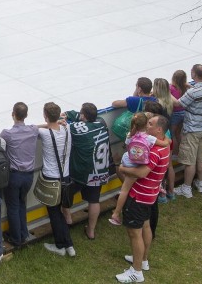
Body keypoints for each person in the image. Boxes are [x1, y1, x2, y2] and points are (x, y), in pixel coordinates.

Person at [116, 115, 171, 283]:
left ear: (159, 130)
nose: (147, 126)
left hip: (139, 196)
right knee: (145, 225)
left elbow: (141, 173)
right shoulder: (164, 144)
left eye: (151, 124)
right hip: (150, 194)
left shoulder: (154, 151)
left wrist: (123, 167)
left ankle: (136, 272)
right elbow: (166, 140)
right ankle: (143, 260)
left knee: (134, 233)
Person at [110, 113, 170, 226]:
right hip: (137, 163)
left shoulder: (129, 135)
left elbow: (127, 145)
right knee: (126, 189)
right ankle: (116, 214)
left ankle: (117, 212)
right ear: (146, 125)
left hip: (128, 160)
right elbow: (165, 143)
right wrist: (167, 139)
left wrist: (122, 167)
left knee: (124, 190)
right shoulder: (149, 138)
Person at [62, 102, 111, 240]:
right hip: (99, 170)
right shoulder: (101, 122)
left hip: (82, 171)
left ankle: (68, 218)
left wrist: (65, 116)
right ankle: (91, 230)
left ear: (83, 115)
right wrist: (73, 114)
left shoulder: (77, 128)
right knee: (94, 200)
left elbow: (65, 126)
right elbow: (78, 117)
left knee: (65, 193)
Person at [0, 103, 39, 248]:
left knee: (13, 206)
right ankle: (23, 233)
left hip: (14, 176)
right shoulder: (33, 130)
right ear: (26, 115)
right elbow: (39, 127)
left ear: (13, 114)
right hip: (28, 176)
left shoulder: (7, 134)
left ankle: (16, 238)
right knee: (22, 203)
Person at [38, 102, 75, 257]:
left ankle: (62, 245)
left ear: (45, 116)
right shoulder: (67, 128)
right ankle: (68, 245)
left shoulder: (44, 133)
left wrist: (47, 123)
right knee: (59, 211)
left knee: (54, 213)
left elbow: (31, 128)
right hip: (65, 176)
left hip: (50, 177)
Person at [174, 64, 202, 198]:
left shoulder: (192, 92)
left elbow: (178, 104)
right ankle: (200, 182)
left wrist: (165, 93)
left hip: (193, 130)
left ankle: (186, 188)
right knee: (201, 158)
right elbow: (199, 93)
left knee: (190, 161)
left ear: (193, 74)